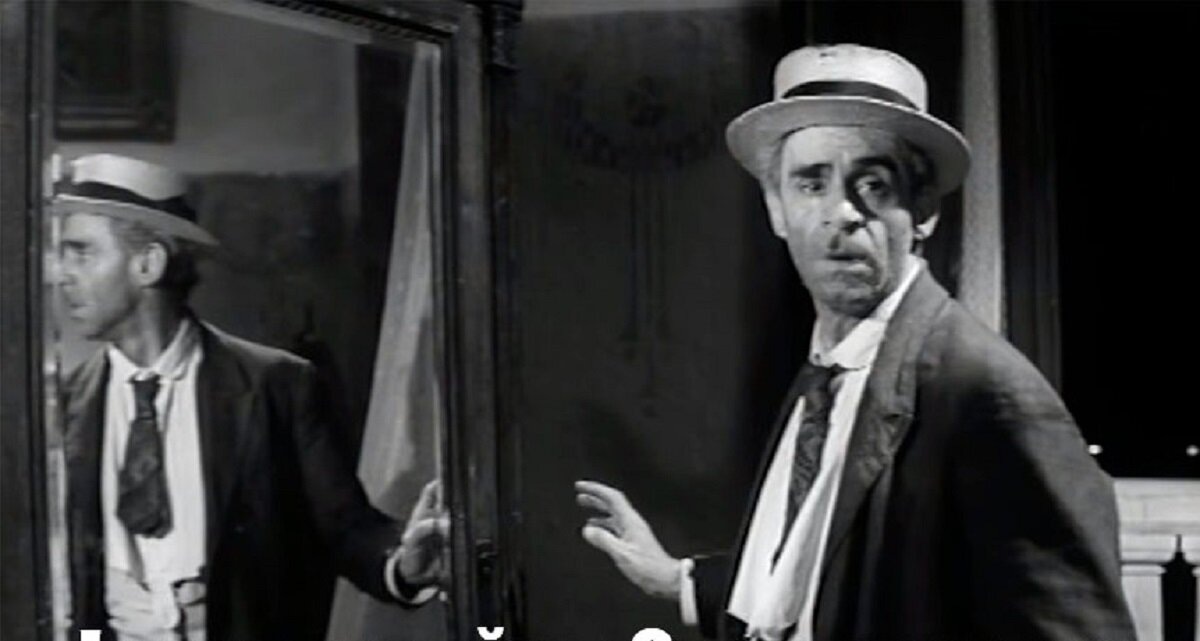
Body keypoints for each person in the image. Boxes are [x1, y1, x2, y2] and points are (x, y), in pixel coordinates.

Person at [575, 44, 1135, 641]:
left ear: (923, 210)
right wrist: (679, 579)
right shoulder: (826, 372)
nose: (841, 212)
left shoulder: (990, 397)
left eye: (873, 183)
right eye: (811, 183)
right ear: (777, 209)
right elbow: (820, 575)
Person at [53, 153, 447, 640]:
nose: (61, 274)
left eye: (82, 253)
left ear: (148, 264)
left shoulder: (276, 385)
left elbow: (346, 529)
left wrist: (404, 566)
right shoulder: (68, 404)